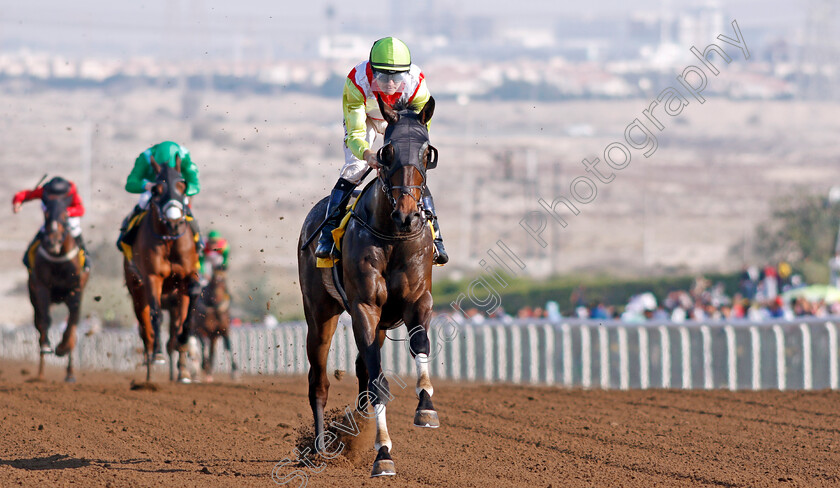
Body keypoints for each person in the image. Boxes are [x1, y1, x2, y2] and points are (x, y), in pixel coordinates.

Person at [314, 37, 448, 265]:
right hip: (364, 119)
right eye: (384, 77)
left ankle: (436, 238)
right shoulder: (356, 81)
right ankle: (327, 234)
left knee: (409, 170)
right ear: (371, 70)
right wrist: (369, 155)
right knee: (355, 168)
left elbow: (419, 131)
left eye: (397, 78)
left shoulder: (417, 85)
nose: (391, 84)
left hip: (396, 120)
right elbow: (355, 135)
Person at [116, 141, 202, 253]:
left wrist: (185, 187)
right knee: (142, 204)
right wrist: (147, 185)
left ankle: (198, 240)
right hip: (155, 187)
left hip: (177, 189)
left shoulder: (184, 157)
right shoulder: (145, 157)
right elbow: (130, 184)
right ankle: (125, 236)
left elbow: (196, 185)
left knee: (185, 209)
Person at [13, 176, 91, 271]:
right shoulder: (44, 191)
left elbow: (81, 210)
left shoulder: (71, 192)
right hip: (50, 220)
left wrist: (67, 213)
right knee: (41, 233)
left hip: (68, 219)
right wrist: (17, 202)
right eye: (52, 197)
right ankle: (28, 256)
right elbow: (26, 194)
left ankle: (85, 258)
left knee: (76, 232)